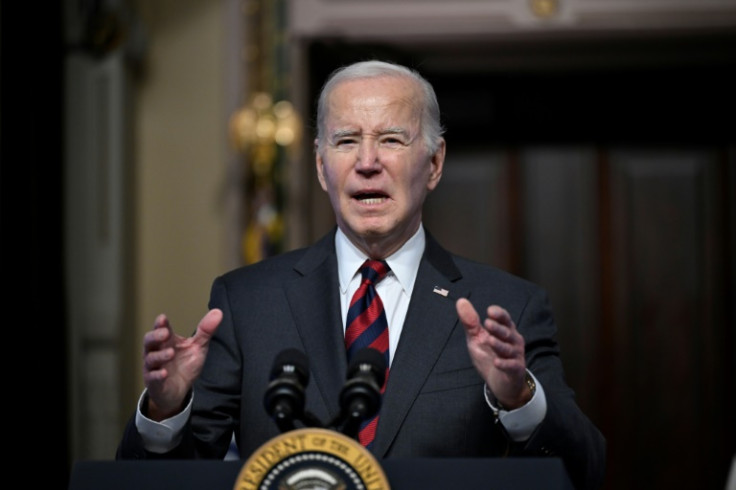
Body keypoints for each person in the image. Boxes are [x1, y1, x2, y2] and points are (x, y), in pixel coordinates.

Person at [117, 59, 606, 489]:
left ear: (434, 163)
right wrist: (165, 410)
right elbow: (168, 478)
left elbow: (583, 471)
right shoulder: (247, 302)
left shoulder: (506, 307)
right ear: (321, 166)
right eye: (347, 140)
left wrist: (519, 398)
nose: (367, 163)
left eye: (391, 140)